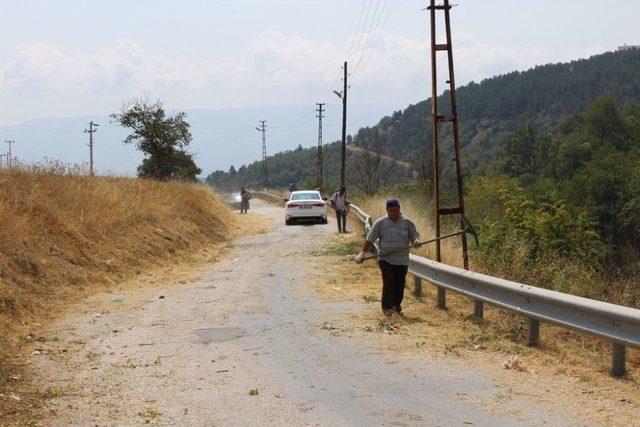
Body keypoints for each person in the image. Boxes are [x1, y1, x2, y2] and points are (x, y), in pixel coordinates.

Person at [355, 198, 421, 315]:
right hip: (386, 259)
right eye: (392, 210)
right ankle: (387, 308)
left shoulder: (407, 223)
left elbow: (414, 237)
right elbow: (370, 239)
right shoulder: (381, 223)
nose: (395, 212)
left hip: (402, 260)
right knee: (389, 281)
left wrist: (416, 242)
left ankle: (396, 306)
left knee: (399, 284)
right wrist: (362, 253)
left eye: (397, 209)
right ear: (387, 210)